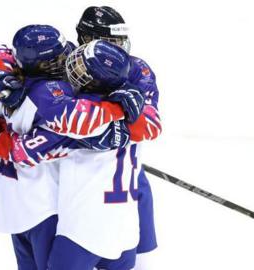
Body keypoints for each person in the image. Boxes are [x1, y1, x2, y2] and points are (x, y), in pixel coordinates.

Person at [0, 25, 145, 270]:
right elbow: (69, 126)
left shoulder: (7, 87)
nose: (67, 59)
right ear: (42, 64)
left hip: (17, 203)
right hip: (44, 205)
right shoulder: (54, 93)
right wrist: (116, 111)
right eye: (58, 58)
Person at [74, 6, 161, 269]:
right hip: (73, 174)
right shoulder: (68, 61)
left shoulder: (136, 69)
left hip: (122, 168)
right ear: (86, 39)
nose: (121, 48)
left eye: (121, 40)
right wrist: (2, 69)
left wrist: (110, 132)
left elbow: (151, 125)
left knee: (139, 194)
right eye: (112, 41)